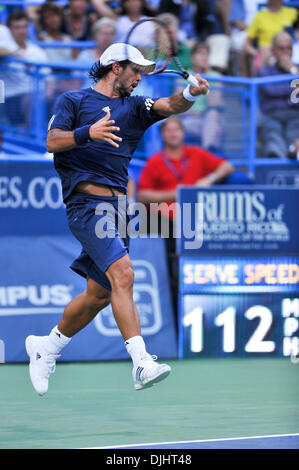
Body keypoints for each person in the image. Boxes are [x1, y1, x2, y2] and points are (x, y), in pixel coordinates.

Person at [25, 42, 210, 395]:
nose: (140, 77)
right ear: (115, 67)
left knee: (99, 294)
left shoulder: (135, 106)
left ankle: (46, 347)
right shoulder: (74, 101)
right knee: (124, 273)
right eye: (135, 70)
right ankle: (141, 363)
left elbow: (171, 105)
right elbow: (51, 141)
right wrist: (87, 133)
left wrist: (190, 91)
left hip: (120, 211)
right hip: (87, 205)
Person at [137, 115, 249, 319]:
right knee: (151, 222)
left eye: (176, 129)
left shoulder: (196, 154)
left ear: (183, 133)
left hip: (199, 220)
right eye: (168, 130)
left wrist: (210, 178)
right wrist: (177, 193)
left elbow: (227, 166)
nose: (173, 133)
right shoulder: (155, 162)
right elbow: (143, 195)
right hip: (166, 223)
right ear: (163, 135)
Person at [0, 12, 49, 127]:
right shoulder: (6, 47)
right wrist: (17, 55)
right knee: (30, 101)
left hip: (37, 95)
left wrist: (48, 93)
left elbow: (49, 79)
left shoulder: (37, 51)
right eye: (17, 27)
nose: (22, 31)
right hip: (10, 97)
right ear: (9, 30)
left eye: (24, 27)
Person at [175, 41, 224, 152]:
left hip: (207, 119)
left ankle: (205, 154)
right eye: (201, 54)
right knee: (214, 129)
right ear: (192, 58)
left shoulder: (217, 77)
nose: (204, 57)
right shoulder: (182, 76)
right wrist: (192, 113)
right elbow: (177, 104)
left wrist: (207, 78)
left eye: (207, 54)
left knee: (212, 116)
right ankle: (208, 154)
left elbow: (214, 104)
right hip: (187, 119)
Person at [258, 32, 299, 159]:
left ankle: (293, 151)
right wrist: (291, 88)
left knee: (295, 133)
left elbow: (280, 92)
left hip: (295, 115)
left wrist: (293, 72)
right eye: (281, 49)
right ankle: (278, 160)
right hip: (272, 115)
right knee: (272, 133)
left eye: (289, 48)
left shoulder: (296, 70)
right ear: (273, 51)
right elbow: (271, 90)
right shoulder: (265, 71)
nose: (285, 52)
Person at [244, 0, 298, 74]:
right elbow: (247, 45)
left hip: (291, 51)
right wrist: (258, 53)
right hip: (267, 55)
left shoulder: (293, 13)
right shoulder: (260, 16)